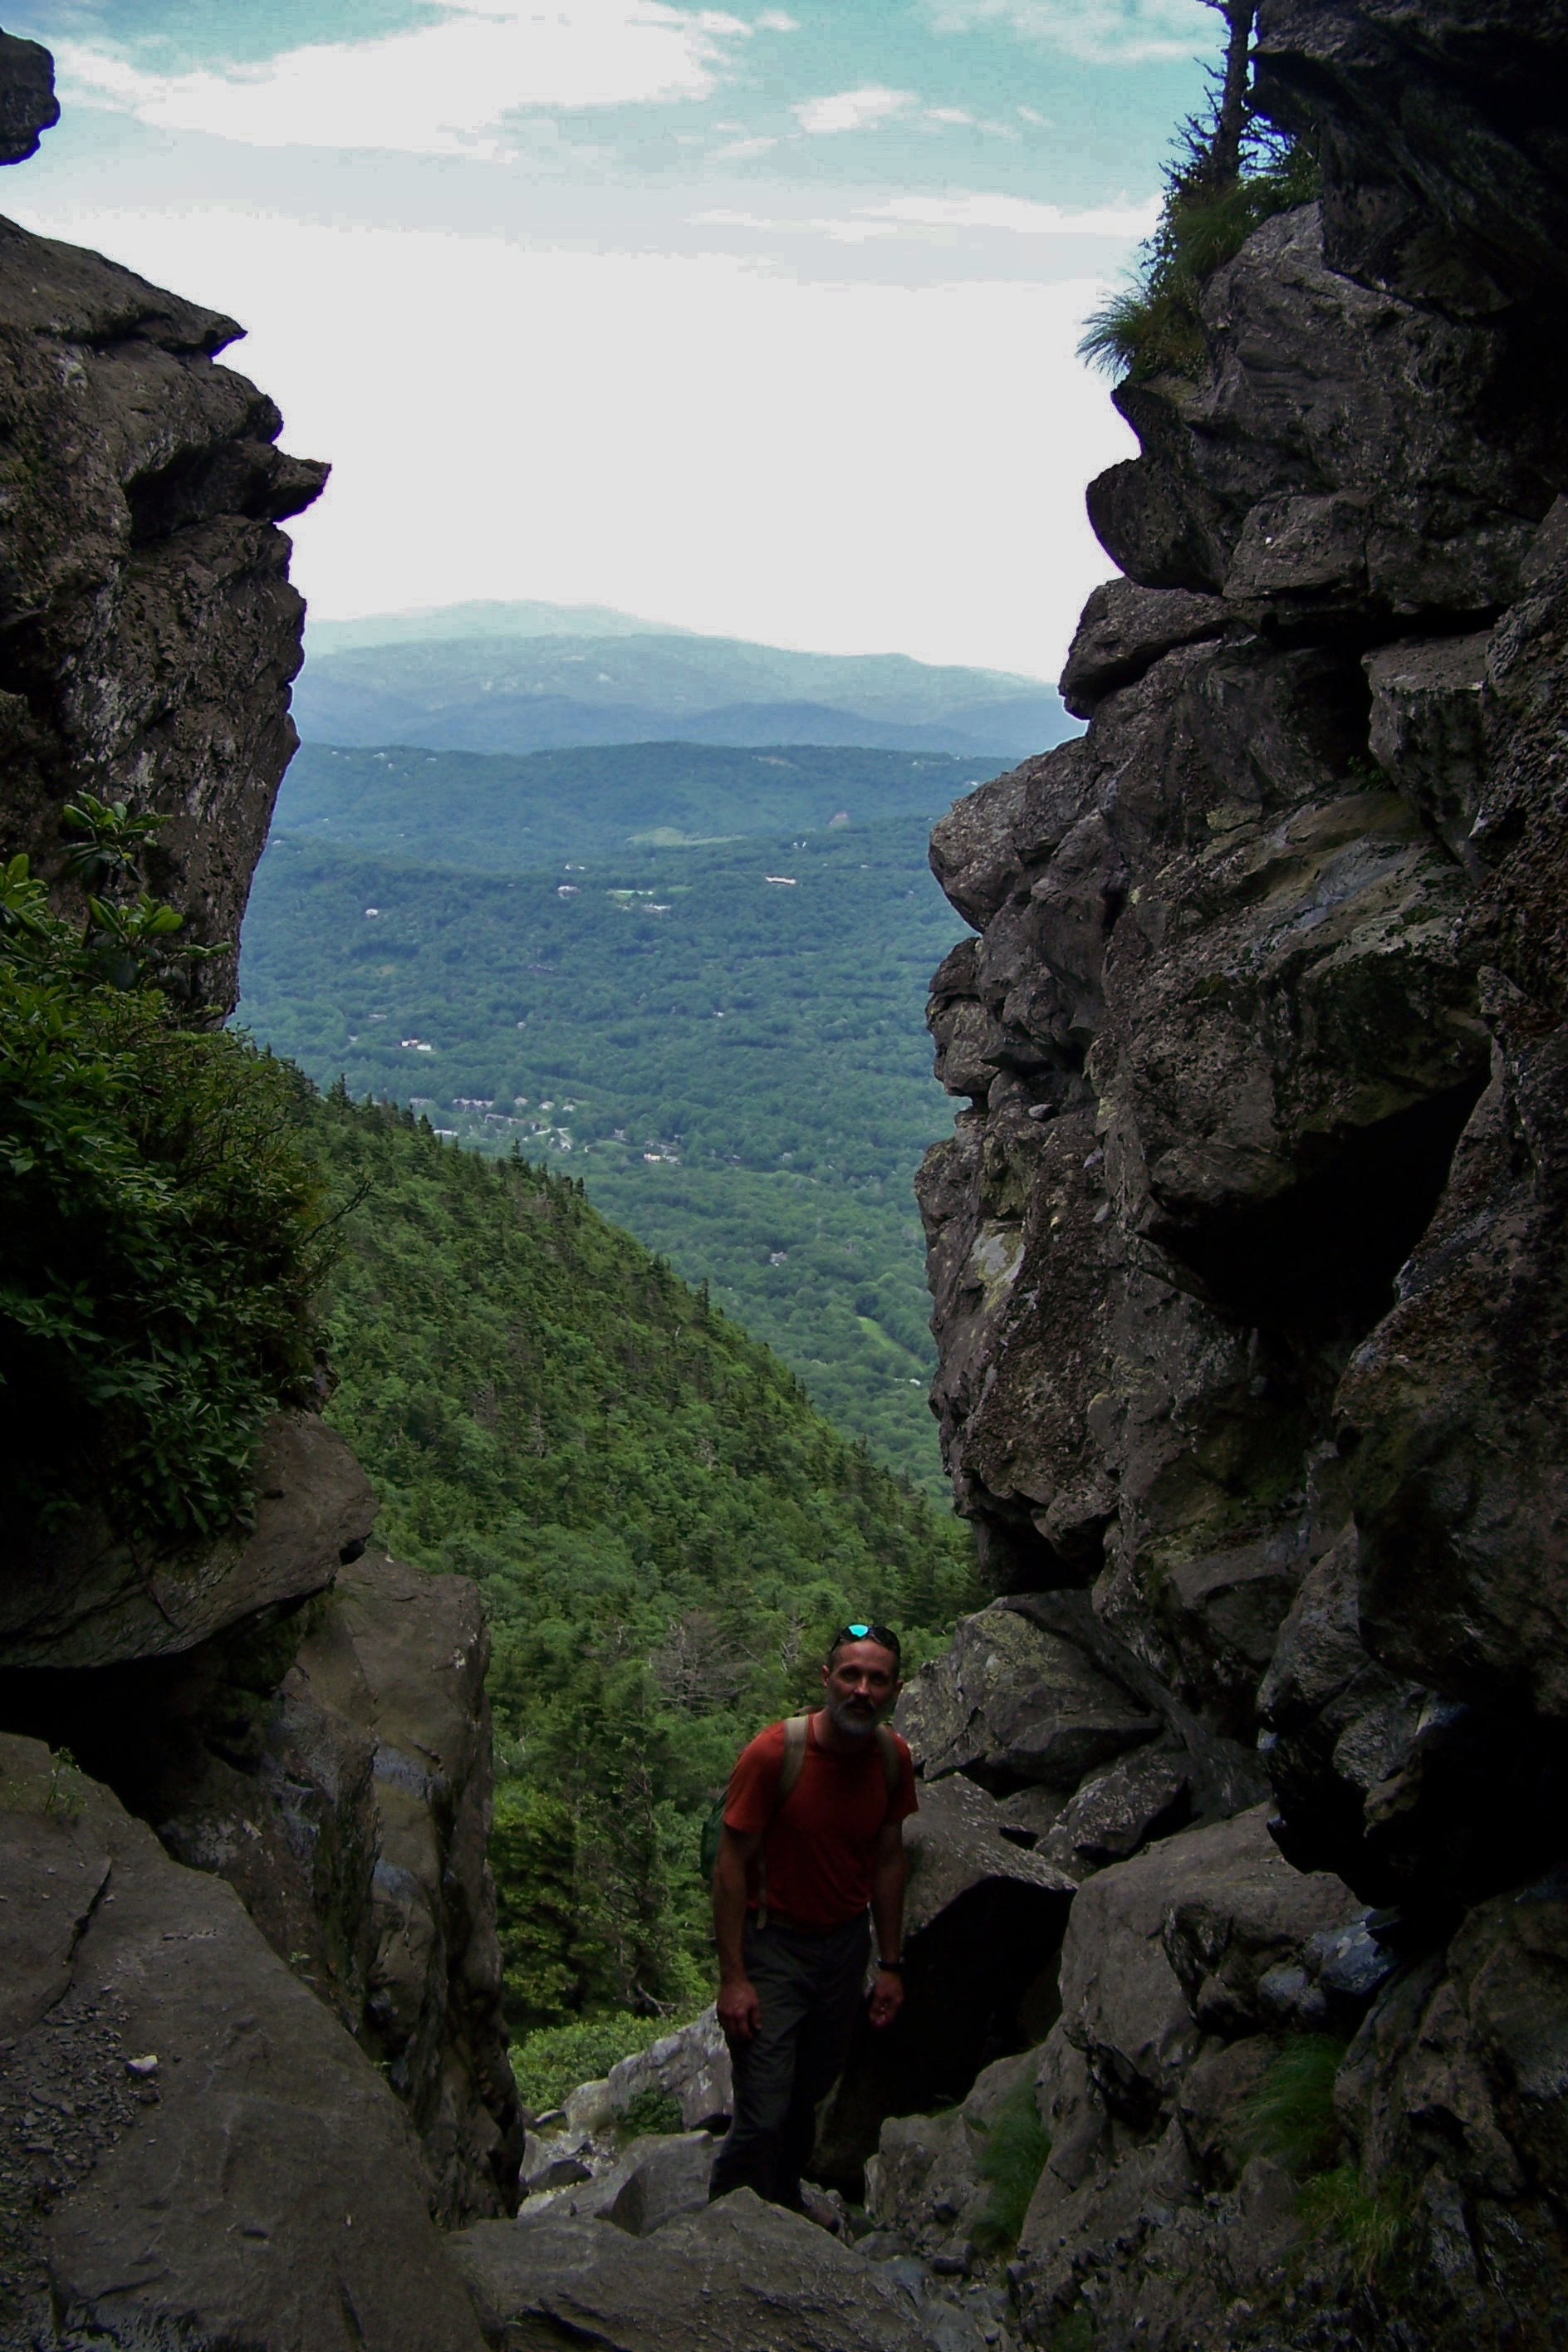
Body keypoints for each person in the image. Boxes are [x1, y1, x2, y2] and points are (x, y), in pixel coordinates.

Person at [708, 1621, 916, 2212]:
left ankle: (782, 2203)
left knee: (811, 2090)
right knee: (764, 2104)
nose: (862, 1690)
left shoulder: (891, 1758)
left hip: (844, 1946)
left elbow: (888, 1859)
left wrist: (891, 1965)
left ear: (895, 1690)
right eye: (851, 1675)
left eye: (877, 1680)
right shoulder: (775, 1753)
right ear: (827, 1678)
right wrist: (734, 1978)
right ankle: (724, 2224)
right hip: (773, 1943)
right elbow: (730, 1867)